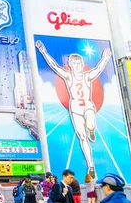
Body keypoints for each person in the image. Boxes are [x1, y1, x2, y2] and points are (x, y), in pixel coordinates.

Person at [36, 41, 112, 177]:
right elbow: (54, 66)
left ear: (82, 64)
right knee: (82, 137)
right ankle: (91, 165)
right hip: (75, 107)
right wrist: (43, 52)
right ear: (70, 64)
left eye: (79, 63)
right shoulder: (68, 76)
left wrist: (105, 58)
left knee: (90, 123)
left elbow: (99, 69)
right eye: (74, 63)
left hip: (88, 105)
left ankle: (92, 129)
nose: (76, 66)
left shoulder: (87, 76)